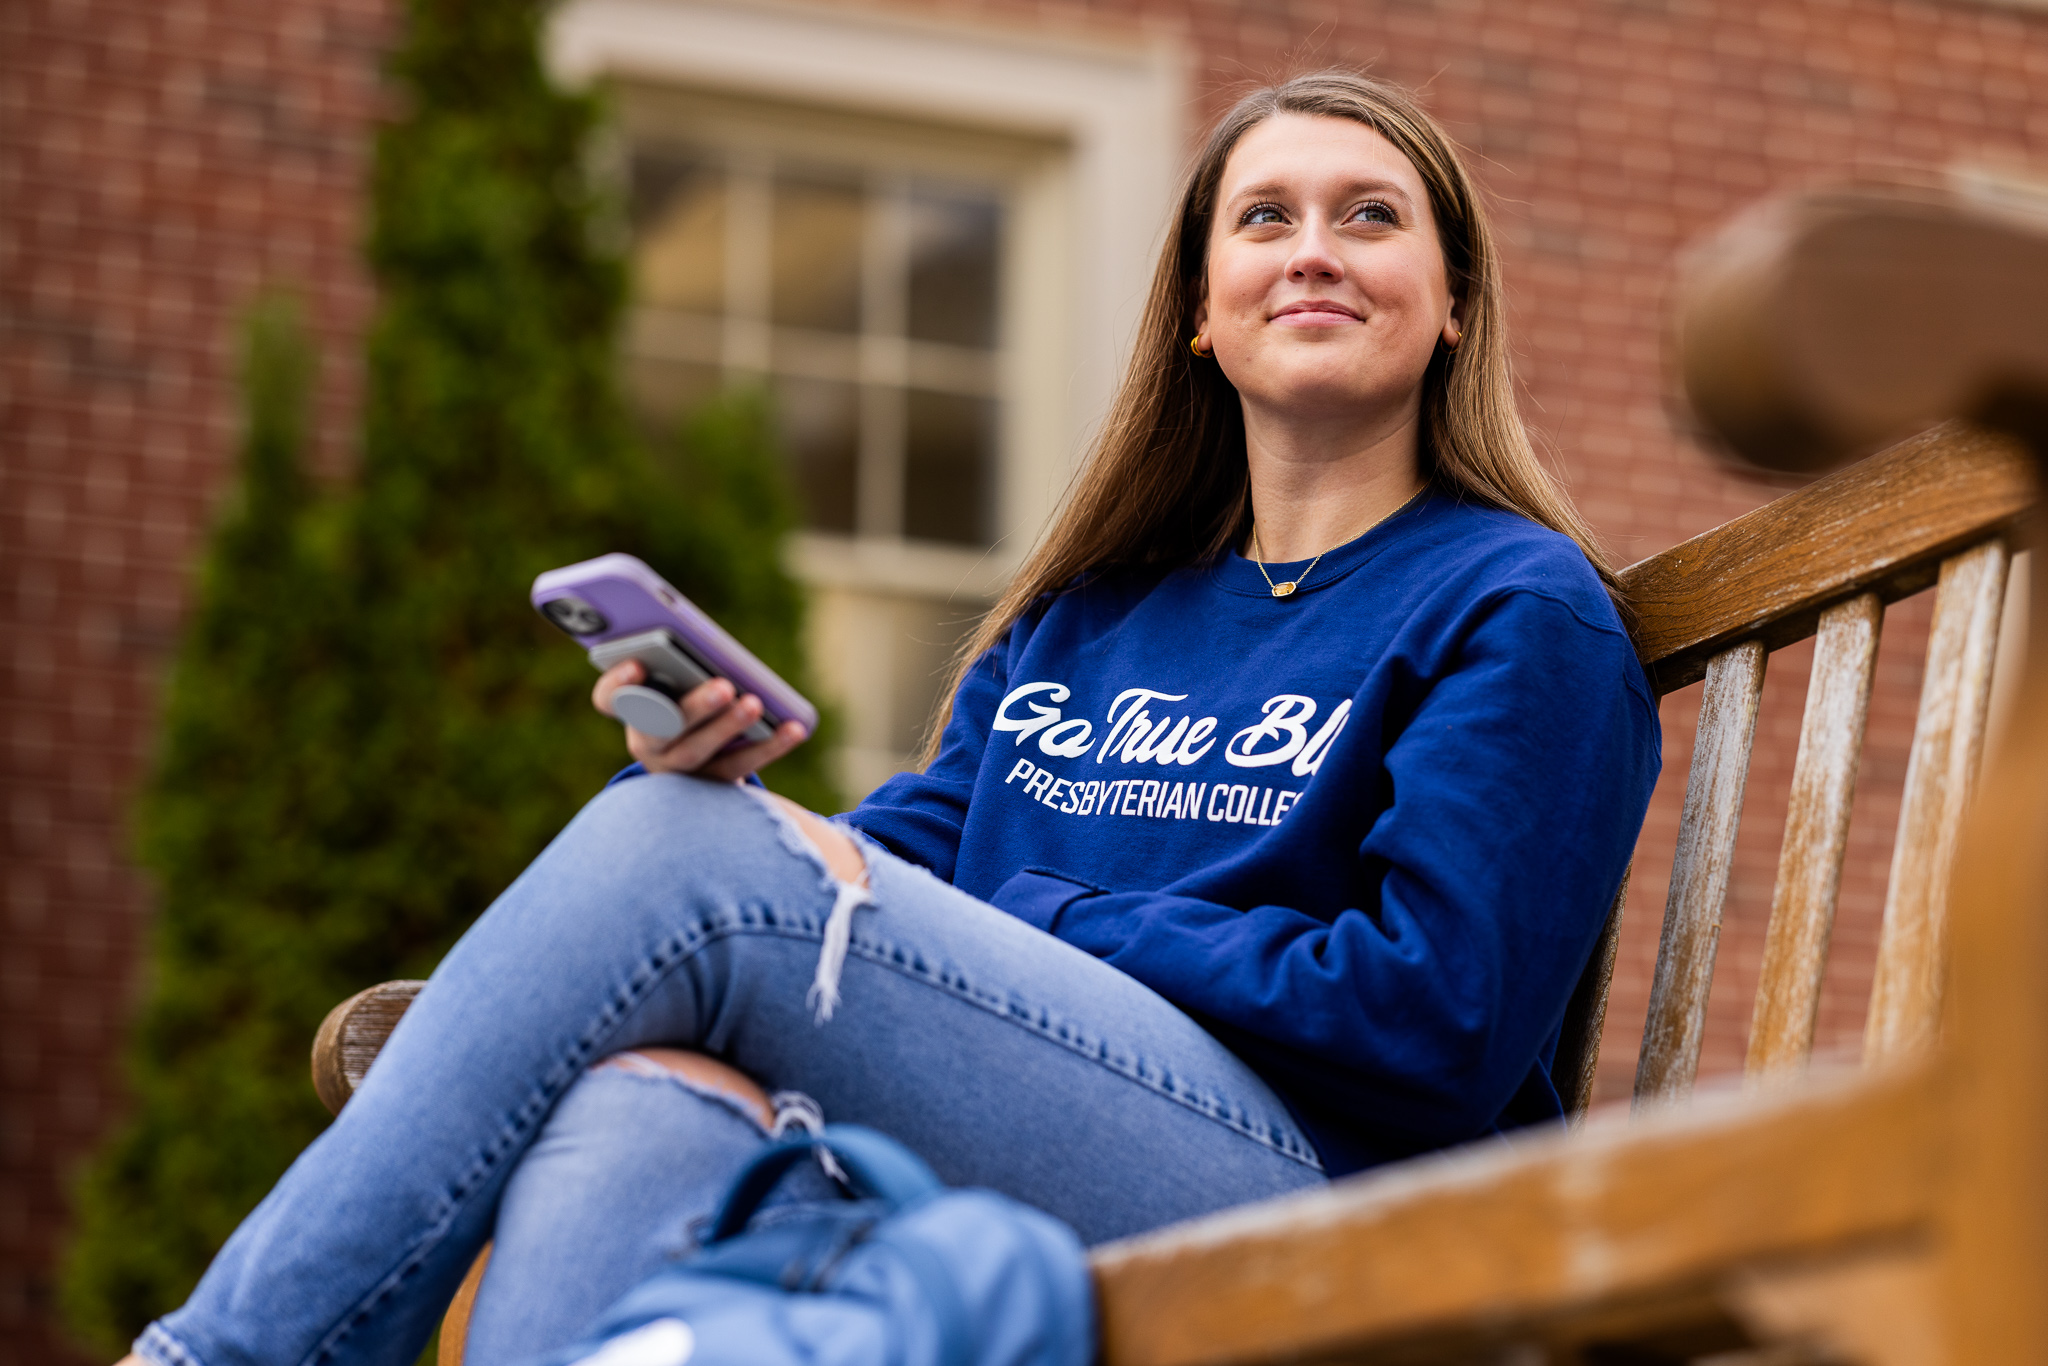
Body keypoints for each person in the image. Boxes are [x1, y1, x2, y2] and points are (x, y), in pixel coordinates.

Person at [123, 69, 1659, 1366]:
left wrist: (1051, 917)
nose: (1313, 250)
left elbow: (1436, 1021)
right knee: (646, 1102)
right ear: (1202, 311)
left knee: (687, 860)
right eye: (1265, 218)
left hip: (1343, 1199)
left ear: (1454, 305)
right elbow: (871, 882)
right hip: (1054, 1156)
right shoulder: (1089, 616)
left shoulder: (1514, 603)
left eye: (1370, 216)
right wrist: (724, 788)